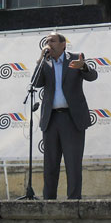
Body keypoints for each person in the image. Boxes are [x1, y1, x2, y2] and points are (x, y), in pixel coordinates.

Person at [33, 32, 98, 199]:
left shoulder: (75, 58)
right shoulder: (45, 62)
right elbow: (36, 83)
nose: (49, 44)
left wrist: (83, 66)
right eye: (47, 41)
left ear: (63, 44)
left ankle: (74, 203)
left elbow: (92, 76)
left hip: (72, 119)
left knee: (73, 163)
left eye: (52, 41)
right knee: (50, 165)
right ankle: (48, 202)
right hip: (51, 119)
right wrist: (40, 60)